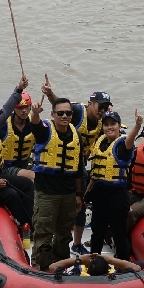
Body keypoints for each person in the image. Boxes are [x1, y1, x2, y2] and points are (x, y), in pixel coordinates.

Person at [41, 74, 112, 255]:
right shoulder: (77, 112)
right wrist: (49, 94)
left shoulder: (103, 121)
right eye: (99, 106)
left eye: (105, 107)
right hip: (62, 167)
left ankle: (79, 242)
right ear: (90, 104)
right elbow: (60, 105)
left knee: (85, 202)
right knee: (66, 204)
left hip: (79, 167)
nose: (102, 110)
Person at [28, 97, 85, 269]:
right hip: (46, 194)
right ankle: (42, 267)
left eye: (68, 113)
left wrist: (78, 195)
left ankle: (61, 265)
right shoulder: (46, 131)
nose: (64, 116)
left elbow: (79, 169)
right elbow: (36, 126)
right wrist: (35, 113)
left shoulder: (77, 137)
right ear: (53, 115)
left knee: (64, 234)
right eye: (60, 113)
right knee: (43, 234)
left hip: (68, 194)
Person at [87, 109, 142, 260]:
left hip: (117, 195)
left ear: (119, 126)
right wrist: (87, 191)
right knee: (97, 231)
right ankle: (94, 260)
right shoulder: (101, 142)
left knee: (118, 232)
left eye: (113, 124)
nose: (109, 127)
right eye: (106, 124)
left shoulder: (122, 145)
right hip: (99, 193)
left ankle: (123, 262)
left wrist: (137, 126)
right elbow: (96, 171)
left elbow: (129, 143)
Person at [0, 74, 35, 181]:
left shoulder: (35, 123)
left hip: (25, 164)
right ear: (14, 108)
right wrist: (19, 88)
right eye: (20, 108)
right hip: (5, 168)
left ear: (30, 107)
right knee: (32, 176)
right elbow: (5, 109)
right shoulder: (2, 125)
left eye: (26, 107)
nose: (24, 110)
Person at [47, 253, 143, 275]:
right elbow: (137, 267)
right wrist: (110, 259)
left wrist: (79, 259)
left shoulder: (75, 276)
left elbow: (52, 267)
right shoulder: (115, 276)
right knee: (140, 263)